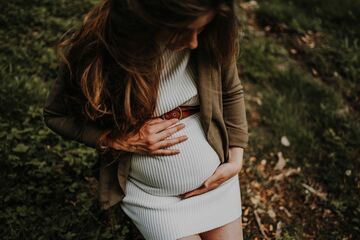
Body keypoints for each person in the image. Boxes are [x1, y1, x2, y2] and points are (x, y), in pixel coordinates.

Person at [43, 0, 249, 239]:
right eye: (182, 30)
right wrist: (115, 140)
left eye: (200, 30)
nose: (193, 42)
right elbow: (56, 115)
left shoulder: (211, 36)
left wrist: (236, 159)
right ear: (151, 17)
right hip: (152, 200)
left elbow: (231, 91)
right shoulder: (100, 48)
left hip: (216, 188)